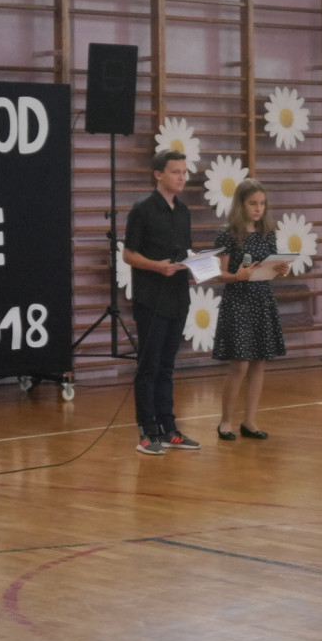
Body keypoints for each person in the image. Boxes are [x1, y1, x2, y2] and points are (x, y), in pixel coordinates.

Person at [123, 149, 201, 454]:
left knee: (167, 365)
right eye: (175, 172)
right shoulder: (142, 210)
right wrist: (157, 266)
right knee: (149, 365)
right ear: (158, 174)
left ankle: (169, 428)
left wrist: (196, 265)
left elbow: (184, 252)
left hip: (178, 297)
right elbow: (128, 254)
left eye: (184, 172)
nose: (182, 177)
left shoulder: (183, 211)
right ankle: (147, 430)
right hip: (151, 299)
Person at [212, 178, 290, 440]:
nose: (258, 208)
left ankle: (250, 421)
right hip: (238, 300)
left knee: (258, 362)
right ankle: (225, 421)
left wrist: (280, 270)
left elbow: (270, 269)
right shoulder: (229, 233)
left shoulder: (268, 233)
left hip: (262, 299)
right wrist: (238, 276)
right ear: (241, 204)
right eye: (253, 203)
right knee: (240, 364)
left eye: (262, 204)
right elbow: (220, 274)